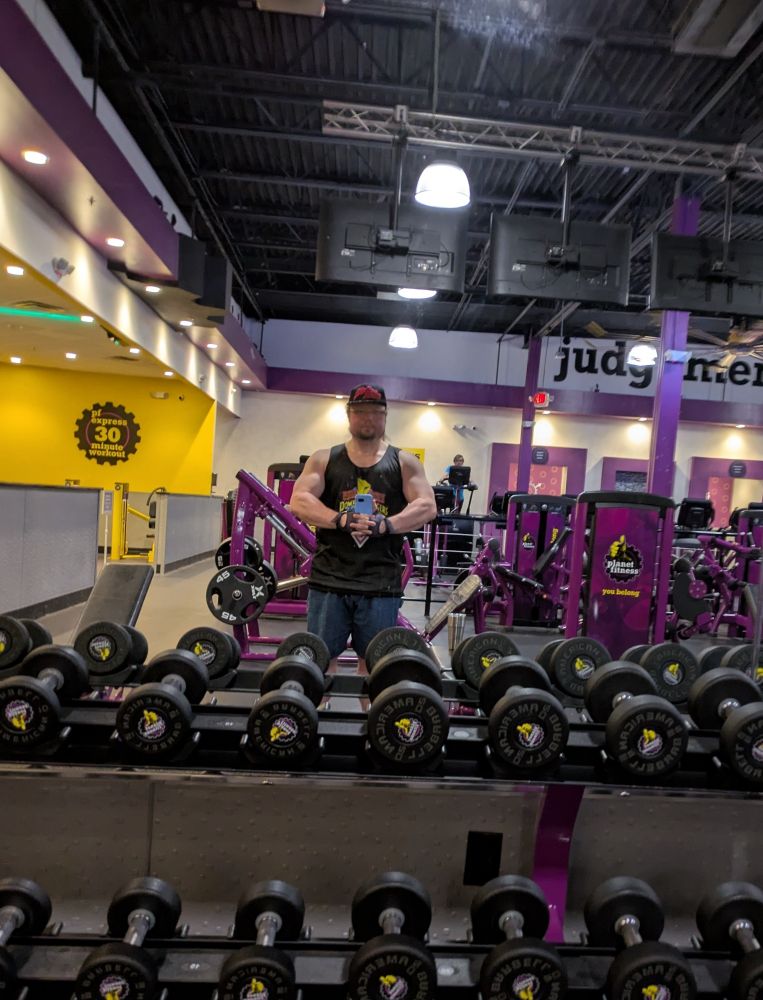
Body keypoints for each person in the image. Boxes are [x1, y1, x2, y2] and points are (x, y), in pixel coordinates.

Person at [289, 383, 437, 672]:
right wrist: (339, 519)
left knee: (373, 666)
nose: (368, 417)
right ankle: (321, 702)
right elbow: (299, 500)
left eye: (375, 411)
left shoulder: (404, 462)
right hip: (330, 580)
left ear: (385, 415)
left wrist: (387, 524)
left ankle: (368, 705)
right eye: (360, 411)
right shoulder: (324, 459)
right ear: (349, 415)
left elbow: (427, 506)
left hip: (380, 583)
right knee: (321, 662)